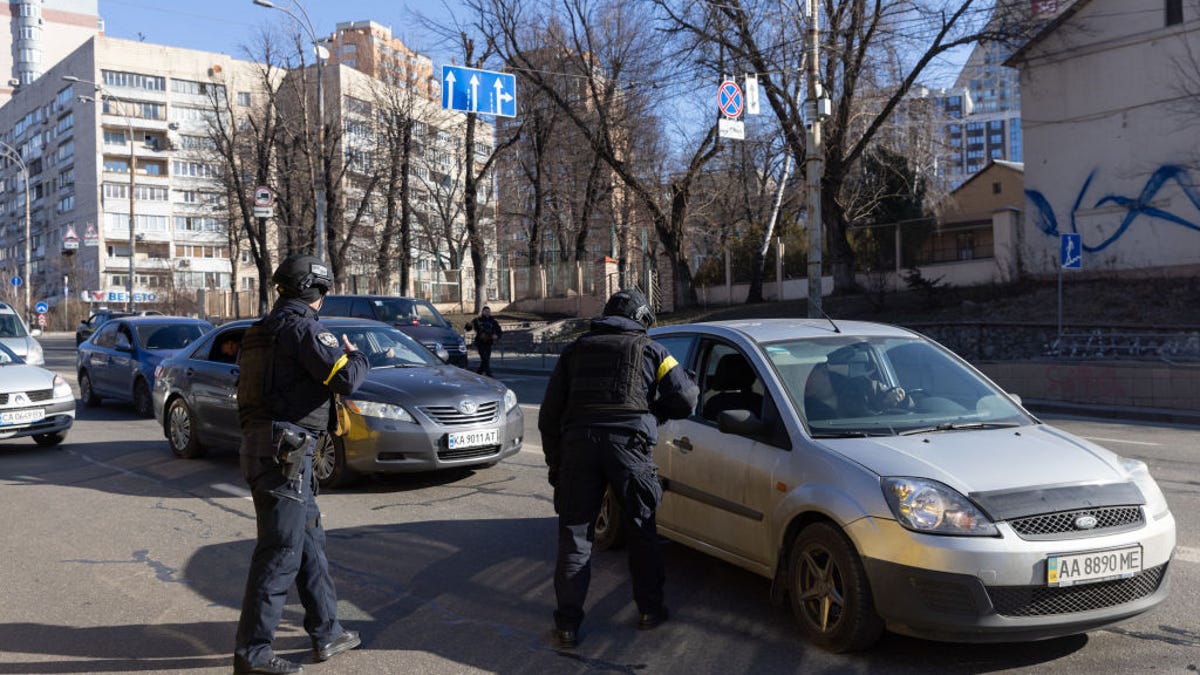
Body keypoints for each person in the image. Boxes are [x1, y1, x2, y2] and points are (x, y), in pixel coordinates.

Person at [232, 254, 371, 675]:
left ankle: (327, 630)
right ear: (319, 292)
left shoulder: (260, 331)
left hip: (270, 448)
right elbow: (345, 378)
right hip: (286, 453)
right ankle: (252, 657)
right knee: (280, 553)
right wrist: (358, 356)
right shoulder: (302, 327)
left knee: (309, 541)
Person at [538, 288, 699, 649]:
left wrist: (556, 464)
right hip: (629, 450)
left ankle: (567, 626)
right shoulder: (653, 350)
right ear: (642, 319)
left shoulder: (574, 351)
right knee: (641, 530)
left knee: (575, 539)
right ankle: (649, 611)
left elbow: (549, 417)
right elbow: (687, 398)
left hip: (578, 450)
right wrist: (654, 413)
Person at [804, 360, 911, 420]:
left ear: (823, 371)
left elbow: (911, 407)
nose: (800, 380)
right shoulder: (798, 405)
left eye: (805, 374)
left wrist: (901, 396)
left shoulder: (861, 386)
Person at [465, 305, 503, 376]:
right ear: (482, 312)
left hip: (489, 342)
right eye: (486, 311)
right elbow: (469, 328)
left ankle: (478, 373)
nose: (487, 313)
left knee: (486, 359)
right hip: (480, 342)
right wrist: (469, 325)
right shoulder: (477, 320)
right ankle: (489, 374)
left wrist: (497, 336)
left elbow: (499, 331)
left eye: (488, 312)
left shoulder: (493, 321)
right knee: (484, 358)